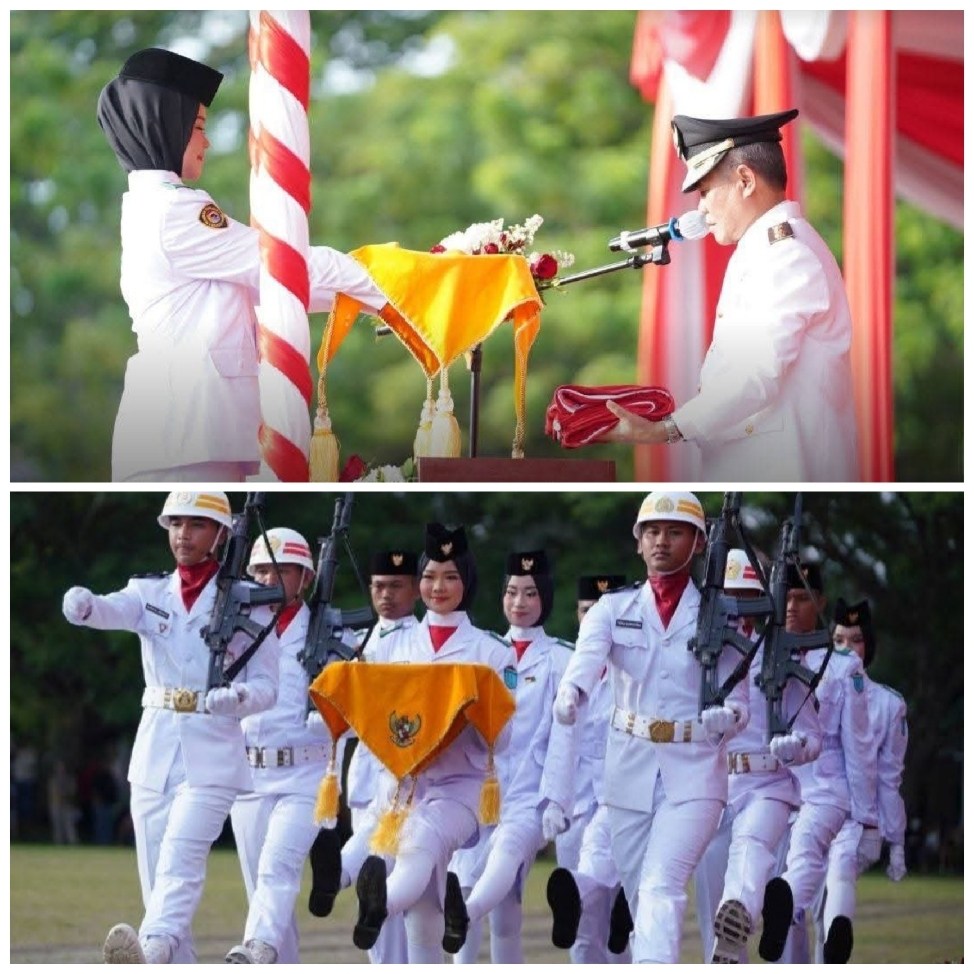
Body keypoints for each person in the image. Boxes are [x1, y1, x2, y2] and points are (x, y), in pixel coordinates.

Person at [96, 48, 389, 481]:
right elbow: (283, 268)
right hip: (186, 433)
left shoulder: (152, 207)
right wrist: (402, 284)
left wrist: (383, 300)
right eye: (198, 127)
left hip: (192, 433)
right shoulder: (172, 211)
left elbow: (284, 290)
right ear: (165, 127)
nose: (207, 142)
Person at [61, 491, 280, 964]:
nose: (183, 534)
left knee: (181, 858)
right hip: (157, 747)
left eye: (197, 524)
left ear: (221, 534)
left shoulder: (250, 600)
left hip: (213, 748)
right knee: (155, 875)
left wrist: (237, 698)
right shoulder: (149, 591)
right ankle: (166, 954)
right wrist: (85, 607)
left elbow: (267, 685)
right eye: (176, 523)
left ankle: (154, 945)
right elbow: (113, 609)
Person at [597, 110, 858, 483]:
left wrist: (666, 429)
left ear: (745, 180)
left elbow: (756, 374)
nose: (700, 209)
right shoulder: (767, 250)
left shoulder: (786, 255)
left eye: (704, 191)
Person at [553, 490, 751, 963]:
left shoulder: (720, 615)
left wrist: (729, 718)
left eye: (676, 531)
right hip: (629, 770)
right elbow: (587, 659)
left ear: (699, 543)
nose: (662, 541)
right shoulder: (612, 608)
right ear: (639, 542)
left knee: (662, 884)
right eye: (653, 531)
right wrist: (571, 693)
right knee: (643, 895)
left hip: (696, 771)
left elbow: (742, 699)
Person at [313, 523, 516, 963]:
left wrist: (469, 713)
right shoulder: (392, 644)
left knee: (419, 842)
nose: (437, 587)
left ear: (467, 581)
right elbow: (368, 711)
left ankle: (377, 902)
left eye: (450, 576)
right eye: (429, 576)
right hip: (398, 788)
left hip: (458, 789)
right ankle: (335, 879)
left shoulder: (491, 652)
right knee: (421, 914)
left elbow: (505, 736)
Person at [445, 549, 575, 963]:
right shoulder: (480, 652)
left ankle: (462, 916)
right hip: (476, 789)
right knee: (480, 893)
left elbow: (563, 737)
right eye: (512, 592)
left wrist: (556, 797)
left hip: (528, 795)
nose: (519, 602)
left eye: (531, 594)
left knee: (505, 862)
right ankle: (463, 918)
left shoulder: (561, 660)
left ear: (546, 599)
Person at [693, 550, 822, 964]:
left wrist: (797, 746)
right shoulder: (701, 650)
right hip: (714, 788)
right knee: (713, 905)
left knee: (757, 870)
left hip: (768, 784)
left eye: (748, 594)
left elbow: (813, 736)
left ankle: (747, 922)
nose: (739, 606)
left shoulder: (779, 653)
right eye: (731, 594)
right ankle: (728, 946)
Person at [225, 528, 347, 964]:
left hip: (305, 775)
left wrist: (333, 722)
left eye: (281, 570)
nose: (267, 578)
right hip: (249, 773)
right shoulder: (236, 628)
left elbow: (358, 708)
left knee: (278, 869)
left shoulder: (330, 633)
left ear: (306, 578)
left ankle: (253, 951)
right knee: (263, 891)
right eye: (258, 569)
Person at [758, 567, 878, 965]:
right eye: (786, 597)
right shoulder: (763, 653)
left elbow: (858, 747)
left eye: (802, 598)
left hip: (825, 785)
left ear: (821, 602)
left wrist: (867, 818)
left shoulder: (842, 666)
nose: (791, 607)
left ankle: (789, 901)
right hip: (772, 787)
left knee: (804, 857)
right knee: (775, 898)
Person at [808, 598, 908, 963]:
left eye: (856, 640)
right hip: (811, 810)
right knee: (807, 910)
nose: (847, 648)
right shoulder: (812, 690)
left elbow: (888, 778)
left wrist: (893, 840)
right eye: (839, 640)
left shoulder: (888, 705)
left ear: (869, 647)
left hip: (857, 819)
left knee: (833, 893)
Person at [338, 549, 420, 965]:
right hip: (368, 776)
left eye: (396, 586)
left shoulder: (424, 642)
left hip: (409, 779)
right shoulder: (357, 641)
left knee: (396, 884)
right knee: (371, 886)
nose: (386, 595)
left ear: (415, 590)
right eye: (378, 587)